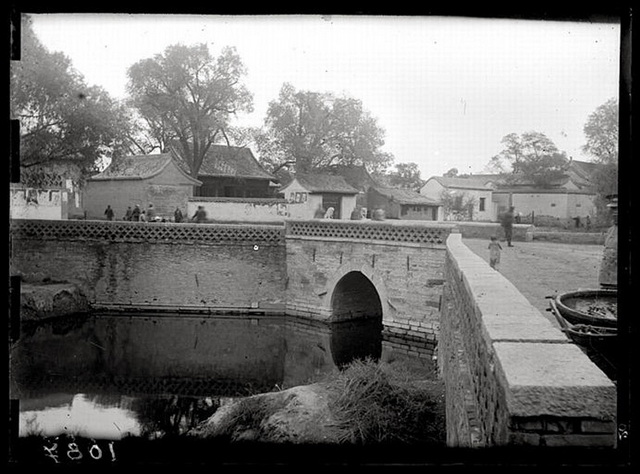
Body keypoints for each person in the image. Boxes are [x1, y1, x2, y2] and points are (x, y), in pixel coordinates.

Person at [598, 196, 618, 289]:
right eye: (613, 209)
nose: (614, 212)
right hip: (606, 281)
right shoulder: (610, 230)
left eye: (617, 209)